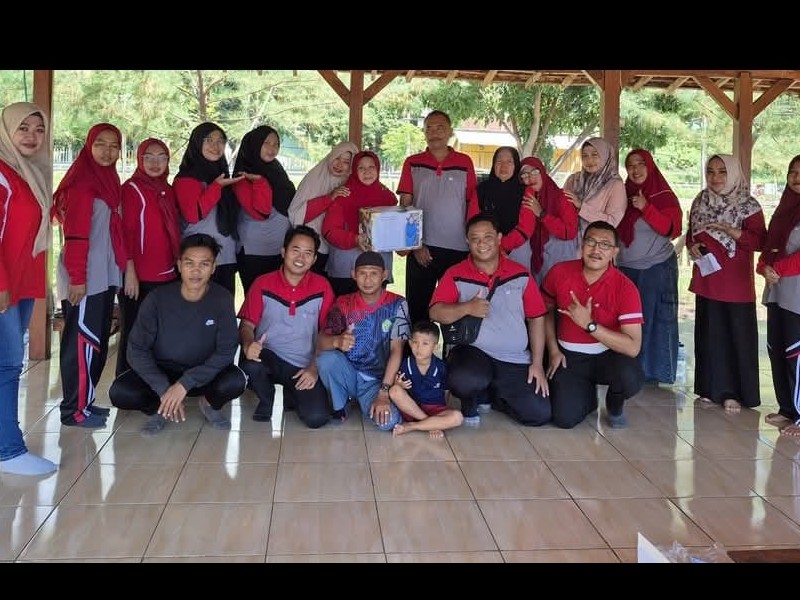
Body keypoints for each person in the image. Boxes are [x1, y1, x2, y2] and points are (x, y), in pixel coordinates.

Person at [108, 233, 247, 436]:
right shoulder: (157, 298)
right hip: (163, 370)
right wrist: (163, 387)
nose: (196, 271)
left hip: (203, 373)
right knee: (120, 393)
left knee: (235, 382)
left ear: (213, 267)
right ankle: (161, 406)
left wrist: (184, 384)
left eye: (204, 264)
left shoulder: (222, 299)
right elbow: (136, 349)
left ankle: (208, 403)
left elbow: (226, 351)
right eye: (189, 263)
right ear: (180, 265)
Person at [429, 213, 551, 427]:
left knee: (538, 414)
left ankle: (492, 395)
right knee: (464, 381)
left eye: (488, 237)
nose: (482, 244)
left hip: (514, 358)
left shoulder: (520, 274)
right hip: (472, 353)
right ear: (467, 241)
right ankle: (472, 398)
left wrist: (537, 363)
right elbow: (435, 313)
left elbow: (536, 318)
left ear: (499, 238)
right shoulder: (455, 273)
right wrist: (467, 307)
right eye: (475, 238)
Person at [52, 122, 127, 428]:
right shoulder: (82, 184)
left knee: (95, 341)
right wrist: (78, 279)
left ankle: (86, 401)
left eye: (113, 146)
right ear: (88, 145)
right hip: (84, 277)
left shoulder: (107, 179)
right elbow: (75, 237)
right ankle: (73, 410)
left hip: (102, 274)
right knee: (81, 342)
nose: (107, 152)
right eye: (100, 144)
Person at [542, 221, 645, 429]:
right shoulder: (560, 272)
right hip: (568, 357)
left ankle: (614, 404)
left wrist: (589, 325)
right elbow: (545, 311)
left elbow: (633, 347)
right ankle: (587, 398)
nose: (596, 249)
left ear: (614, 252)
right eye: (591, 242)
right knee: (564, 419)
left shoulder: (626, 287)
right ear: (582, 244)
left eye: (605, 245)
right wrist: (553, 350)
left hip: (608, 357)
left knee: (629, 376)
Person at [0, 102, 58, 475]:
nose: (32, 136)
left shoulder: (29, 172)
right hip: (4, 287)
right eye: (23, 128)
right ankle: (8, 451)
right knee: (6, 365)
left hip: (20, 286)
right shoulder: (2, 174)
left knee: (8, 363)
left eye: (39, 129)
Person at [686, 153, 766, 413]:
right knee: (709, 336)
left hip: (735, 284)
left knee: (736, 338)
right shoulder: (701, 200)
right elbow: (691, 233)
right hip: (707, 278)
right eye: (711, 171)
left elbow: (759, 241)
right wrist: (692, 246)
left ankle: (735, 393)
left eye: (722, 171)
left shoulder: (748, 205)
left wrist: (733, 231)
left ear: (733, 173)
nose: (716, 177)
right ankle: (709, 389)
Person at [237, 225, 335, 428]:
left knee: (316, 418)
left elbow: (328, 333)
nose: (300, 258)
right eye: (295, 250)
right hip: (268, 356)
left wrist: (314, 368)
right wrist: (248, 344)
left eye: (308, 253)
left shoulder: (322, 286)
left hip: (302, 364)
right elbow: (246, 324)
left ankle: (292, 393)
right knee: (251, 365)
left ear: (314, 259)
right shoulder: (262, 283)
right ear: (283, 252)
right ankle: (267, 397)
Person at [397, 110, 479, 325]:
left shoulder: (464, 162)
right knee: (418, 311)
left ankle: (453, 349)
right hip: (422, 249)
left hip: (459, 249)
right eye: (429, 129)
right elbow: (405, 206)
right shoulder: (412, 162)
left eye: (440, 128)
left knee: (456, 314)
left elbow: (472, 205)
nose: (434, 133)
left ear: (450, 132)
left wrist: (473, 244)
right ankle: (416, 348)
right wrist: (415, 245)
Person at [316, 251, 410, 430]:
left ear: (385, 275)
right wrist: (337, 341)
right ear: (353, 275)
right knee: (326, 360)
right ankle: (341, 403)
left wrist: (383, 392)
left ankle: (365, 399)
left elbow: (397, 350)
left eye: (374, 273)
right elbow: (321, 341)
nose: (368, 280)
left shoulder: (397, 304)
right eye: (362, 273)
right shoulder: (343, 303)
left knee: (388, 422)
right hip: (350, 373)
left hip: (377, 380)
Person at [116, 137, 181, 376]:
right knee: (134, 334)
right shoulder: (131, 189)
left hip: (167, 275)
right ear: (139, 159)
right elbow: (125, 233)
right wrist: (130, 272)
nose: (155, 163)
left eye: (161, 157)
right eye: (149, 157)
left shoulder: (167, 190)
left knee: (160, 334)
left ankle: (155, 384)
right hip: (140, 278)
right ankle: (126, 384)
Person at [618, 148, 683, 385]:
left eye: (640, 164)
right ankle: (628, 372)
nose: (635, 170)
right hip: (625, 268)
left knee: (654, 321)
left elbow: (671, 230)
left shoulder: (663, 196)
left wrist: (646, 207)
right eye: (630, 166)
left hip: (655, 267)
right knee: (627, 321)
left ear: (650, 166)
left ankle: (652, 375)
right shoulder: (622, 194)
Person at [173, 122, 243, 296]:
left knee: (223, 305)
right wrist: (216, 187)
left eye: (220, 141)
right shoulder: (187, 178)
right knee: (197, 305)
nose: (215, 146)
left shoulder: (222, 173)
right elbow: (193, 214)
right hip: (198, 259)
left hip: (225, 256)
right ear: (198, 143)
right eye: (209, 140)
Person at [759, 155, 800, 436]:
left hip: (795, 294)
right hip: (776, 290)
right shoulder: (784, 209)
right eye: (792, 172)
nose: (796, 178)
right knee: (777, 348)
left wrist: (777, 269)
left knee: (796, 352)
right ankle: (787, 409)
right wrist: (763, 267)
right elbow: (769, 247)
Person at [321, 150, 397, 297]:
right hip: (346, 271)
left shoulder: (388, 197)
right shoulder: (343, 194)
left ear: (378, 168)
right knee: (345, 309)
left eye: (371, 167)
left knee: (374, 310)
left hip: (378, 269)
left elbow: (394, 230)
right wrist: (355, 239)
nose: (367, 172)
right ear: (354, 170)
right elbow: (329, 231)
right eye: (361, 168)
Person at [232, 125, 296, 293]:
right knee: (256, 298)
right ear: (255, 144)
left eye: (276, 144)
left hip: (278, 249)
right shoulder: (242, 177)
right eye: (266, 143)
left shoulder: (276, 170)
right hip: (254, 253)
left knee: (276, 299)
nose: (272, 148)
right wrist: (259, 182)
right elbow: (261, 212)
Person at [288, 141, 359, 277]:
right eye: (337, 158)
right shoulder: (315, 177)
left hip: (336, 250)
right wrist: (330, 198)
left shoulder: (352, 182)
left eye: (346, 162)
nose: (339, 164)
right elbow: (296, 214)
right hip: (310, 247)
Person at [390, 320, 463, 438]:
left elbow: (446, 392)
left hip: (436, 409)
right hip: (412, 409)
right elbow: (397, 387)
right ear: (410, 343)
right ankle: (430, 424)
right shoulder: (406, 364)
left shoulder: (441, 367)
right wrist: (399, 384)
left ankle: (412, 426)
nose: (419, 348)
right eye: (415, 342)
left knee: (457, 417)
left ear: (435, 347)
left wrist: (444, 413)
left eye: (425, 343)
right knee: (394, 391)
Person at [519, 156, 580, 286]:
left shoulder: (561, 197)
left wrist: (542, 214)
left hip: (560, 259)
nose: (530, 177)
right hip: (538, 259)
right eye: (524, 174)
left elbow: (570, 232)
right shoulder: (526, 199)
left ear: (542, 172)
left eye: (534, 171)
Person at [476, 146, 535, 267]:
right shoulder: (481, 189)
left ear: (516, 166)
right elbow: (473, 220)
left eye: (509, 162)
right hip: (484, 247)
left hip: (517, 250)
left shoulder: (526, 191)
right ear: (493, 165)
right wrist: (490, 244)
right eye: (499, 162)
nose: (504, 166)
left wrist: (501, 246)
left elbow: (526, 227)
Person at [563, 137, 627, 235]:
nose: (589, 160)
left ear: (605, 155)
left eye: (594, 155)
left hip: (595, 240)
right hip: (568, 237)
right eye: (585, 156)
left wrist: (581, 207)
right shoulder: (573, 180)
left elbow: (612, 222)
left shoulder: (614, 184)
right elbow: (562, 207)